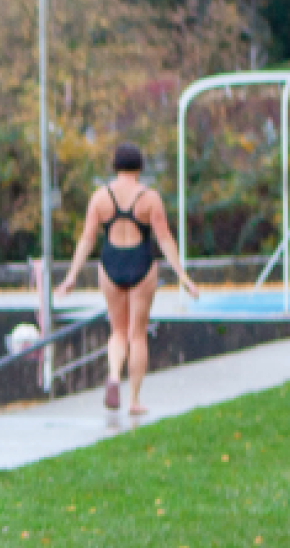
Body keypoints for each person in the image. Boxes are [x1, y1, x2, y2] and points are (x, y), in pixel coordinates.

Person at [56, 142, 200, 416]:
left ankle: (113, 374)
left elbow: (87, 239)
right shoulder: (149, 198)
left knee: (118, 331)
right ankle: (134, 399)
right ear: (140, 167)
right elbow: (164, 238)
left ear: (115, 166)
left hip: (111, 264)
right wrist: (183, 276)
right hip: (141, 264)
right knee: (137, 334)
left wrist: (71, 277)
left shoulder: (100, 197)